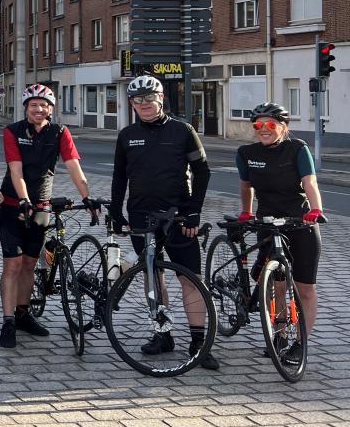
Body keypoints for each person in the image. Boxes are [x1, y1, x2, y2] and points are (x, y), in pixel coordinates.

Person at [110, 74, 217, 370]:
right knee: (152, 276)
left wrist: (194, 210)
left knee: (190, 279)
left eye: (149, 98)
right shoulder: (126, 135)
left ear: (161, 99)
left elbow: (203, 172)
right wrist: (116, 213)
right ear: (131, 103)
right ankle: (163, 333)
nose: (144, 104)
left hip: (180, 216)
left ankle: (199, 343)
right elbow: (120, 176)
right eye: (137, 100)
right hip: (141, 216)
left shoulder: (183, 131)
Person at [0, 84, 96, 349]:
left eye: (44, 105)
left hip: (41, 206)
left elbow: (74, 167)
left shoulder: (60, 132)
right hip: (13, 205)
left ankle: (23, 314)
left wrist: (87, 197)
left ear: (51, 109)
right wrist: (24, 200)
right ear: (26, 107)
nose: (39, 109)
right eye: (33, 105)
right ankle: (7, 321)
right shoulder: (12, 132)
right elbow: (15, 170)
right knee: (13, 265)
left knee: (30, 263)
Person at [235, 102, 323, 365]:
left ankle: (300, 343)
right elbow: (246, 186)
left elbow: (310, 182)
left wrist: (316, 209)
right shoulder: (246, 152)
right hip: (268, 222)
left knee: (305, 287)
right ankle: (281, 332)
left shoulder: (298, 149)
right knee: (276, 283)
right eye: (258, 125)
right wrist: (246, 212)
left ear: (283, 127)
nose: (264, 129)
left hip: (300, 221)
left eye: (270, 125)